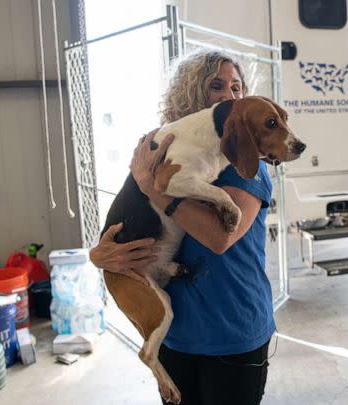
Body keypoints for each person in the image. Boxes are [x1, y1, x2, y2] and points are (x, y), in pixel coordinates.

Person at [90, 50, 274, 405]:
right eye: (216, 86)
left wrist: (154, 188)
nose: (231, 96)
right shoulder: (165, 148)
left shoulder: (244, 164)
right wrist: (98, 254)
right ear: (190, 94)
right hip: (177, 334)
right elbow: (125, 215)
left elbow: (220, 238)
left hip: (232, 328)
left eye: (237, 88)